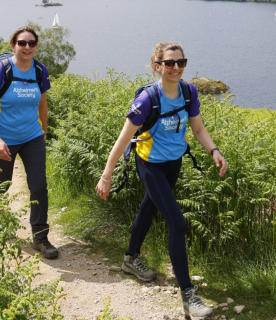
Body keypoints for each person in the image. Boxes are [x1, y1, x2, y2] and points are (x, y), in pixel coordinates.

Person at [95, 42, 227, 320]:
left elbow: (198, 128)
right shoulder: (147, 100)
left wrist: (214, 150)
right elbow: (122, 139)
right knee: (177, 223)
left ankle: (130, 259)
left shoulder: (189, 92)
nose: (176, 68)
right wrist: (106, 176)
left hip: (174, 163)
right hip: (150, 165)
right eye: (169, 63)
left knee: (150, 207)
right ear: (158, 66)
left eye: (181, 62)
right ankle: (189, 296)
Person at [0, 26, 58, 259]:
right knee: (3, 184)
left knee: (39, 186)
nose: (27, 47)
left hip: (32, 136)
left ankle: (40, 237)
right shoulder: (1, 71)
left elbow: (43, 105)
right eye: (22, 43)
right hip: (4, 138)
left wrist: (43, 132)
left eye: (32, 43)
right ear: (13, 44)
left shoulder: (40, 71)